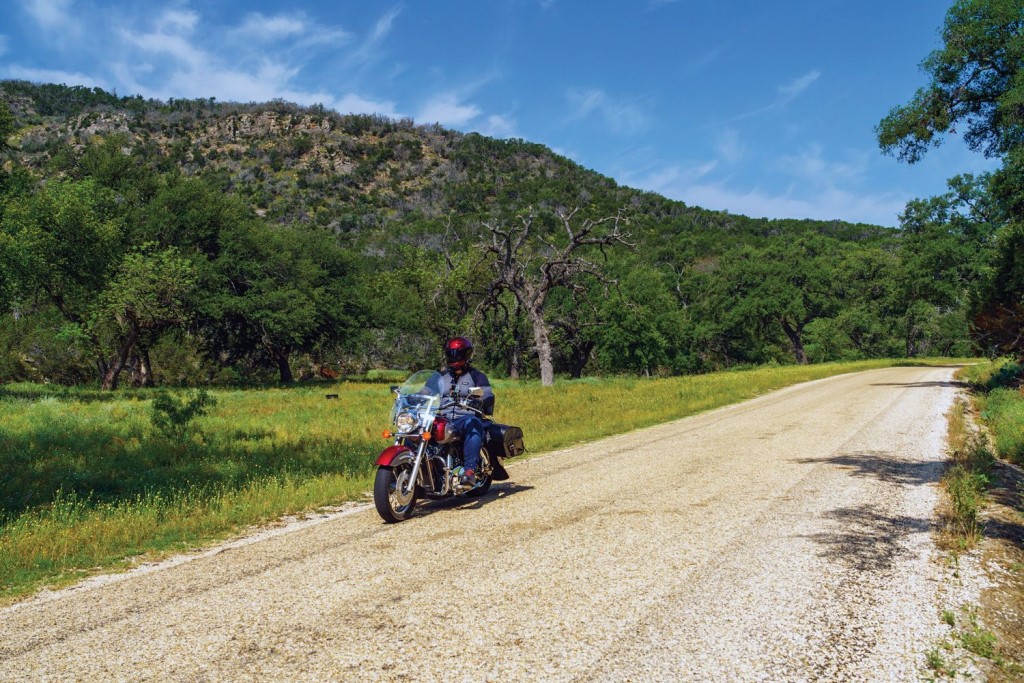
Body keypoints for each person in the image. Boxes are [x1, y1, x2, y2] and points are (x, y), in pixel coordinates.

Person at [436, 336, 494, 487]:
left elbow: (487, 393)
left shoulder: (476, 376)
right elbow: (426, 390)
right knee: (415, 429)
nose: (454, 357)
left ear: (466, 355)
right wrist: (413, 397)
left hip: (465, 417)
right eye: (451, 353)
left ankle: (469, 471)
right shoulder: (441, 376)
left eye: (458, 353)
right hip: (443, 416)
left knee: (472, 424)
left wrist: (481, 400)